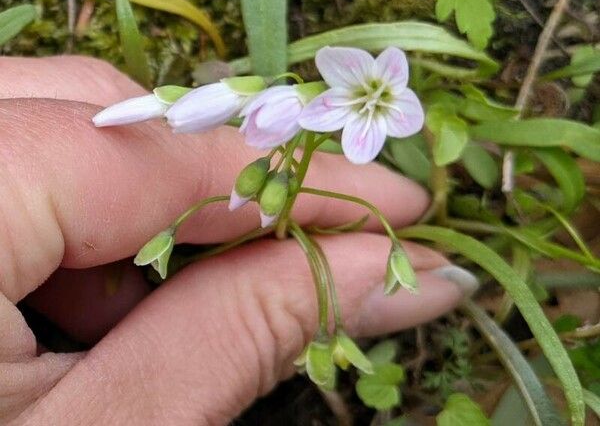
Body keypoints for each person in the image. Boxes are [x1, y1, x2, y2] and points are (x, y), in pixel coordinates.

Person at [0, 56, 476, 424]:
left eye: (378, 94)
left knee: (292, 194)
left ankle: (191, 240)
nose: (373, 98)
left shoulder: (346, 109)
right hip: (288, 123)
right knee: (231, 193)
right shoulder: (314, 108)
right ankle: (184, 240)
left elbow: (344, 130)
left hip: (301, 124)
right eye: (368, 92)